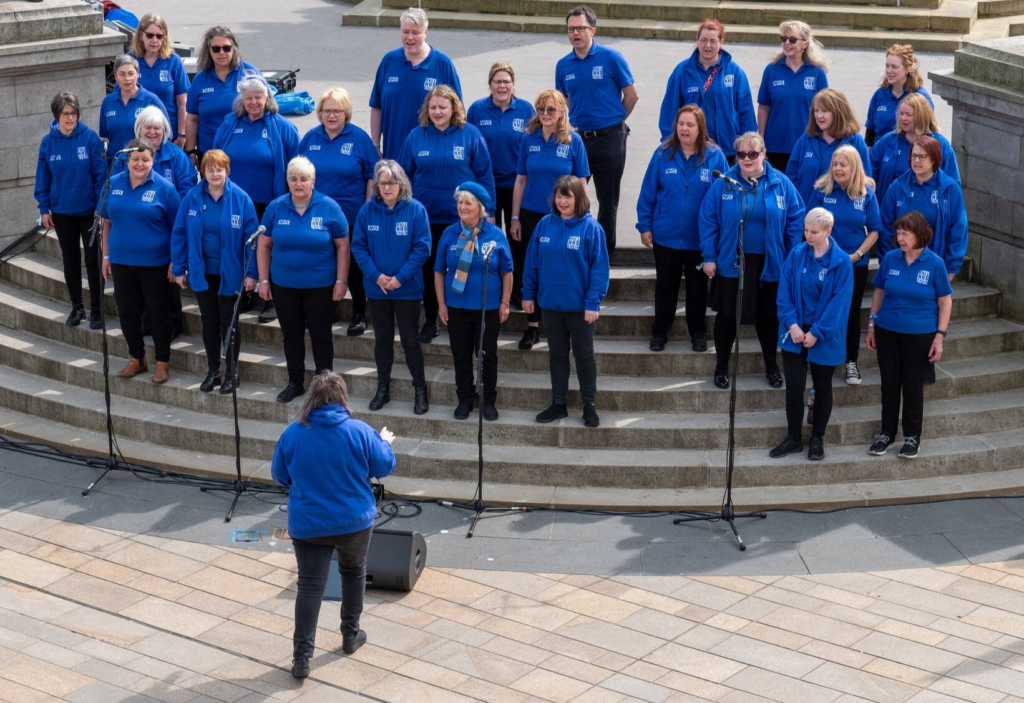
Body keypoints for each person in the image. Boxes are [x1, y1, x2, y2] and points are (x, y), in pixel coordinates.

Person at [271, 372, 396, 680]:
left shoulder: (293, 433)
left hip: (308, 525)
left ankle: (301, 657)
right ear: (342, 399)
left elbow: (280, 475)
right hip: (354, 522)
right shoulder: (360, 431)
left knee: (310, 586)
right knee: (353, 571)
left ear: (310, 399)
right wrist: (384, 442)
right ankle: (350, 636)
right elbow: (384, 467)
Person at [699, 131, 804, 389]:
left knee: (769, 318)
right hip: (732, 262)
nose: (747, 159)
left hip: (771, 264)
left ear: (764, 154)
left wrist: (791, 256)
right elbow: (707, 220)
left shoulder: (781, 183)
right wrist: (709, 257)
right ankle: (721, 367)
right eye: (741, 154)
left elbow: (796, 219)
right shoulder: (723, 182)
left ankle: (771, 367)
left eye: (753, 154)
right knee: (727, 317)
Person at [398, 84, 495, 344]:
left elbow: (485, 175)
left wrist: (491, 212)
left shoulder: (470, 135)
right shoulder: (416, 136)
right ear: (426, 110)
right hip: (426, 220)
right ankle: (431, 319)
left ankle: (462, 317)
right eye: (433, 107)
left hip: (462, 219)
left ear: (454, 108)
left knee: (465, 268)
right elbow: (404, 176)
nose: (437, 112)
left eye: (443, 107)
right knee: (433, 269)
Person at [253, 157, 349, 404]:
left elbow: (342, 246)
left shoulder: (329, 207)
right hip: (284, 286)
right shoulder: (275, 207)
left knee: (321, 336)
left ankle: (324, 388)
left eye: (304, 179)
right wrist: (263, 281)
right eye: (293, 179)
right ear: (287, 180)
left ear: (313, 182)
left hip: (321, 286)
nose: (298, 184)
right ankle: (295, 382)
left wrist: (341, 281)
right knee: (291, 336)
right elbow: (263, 245)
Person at [637, 105, 728, 352]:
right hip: (666, 238)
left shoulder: (716, 156)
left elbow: (725, 198)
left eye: (690, 125)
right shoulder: (663, 153)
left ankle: (697, 331)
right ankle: (659, 331)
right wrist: (644, 225)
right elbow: (648, 192)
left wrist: (720, 234)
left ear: (700, 129)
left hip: (700, 240)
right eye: (681, 124)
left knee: (698, 289)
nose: (684, 129)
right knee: (665, 286)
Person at [522, 175, 609, 428]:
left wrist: (593, 302)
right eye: (558, 196)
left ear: (578, 198)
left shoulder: (592, 229)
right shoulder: (544, 225)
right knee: (557, 355)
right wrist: (528, 294)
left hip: (580, 309)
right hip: (550, 305)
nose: (561, 201)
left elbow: (600, 270)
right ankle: (558, 403)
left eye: (567, 196)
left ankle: (588, 404)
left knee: (584, 356)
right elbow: (531, 263)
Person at [170, 149, 259, 394]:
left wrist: (252, 273)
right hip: (202, 273)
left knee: (229, 324)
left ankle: (232, 373)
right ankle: (213, 371)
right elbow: (179, 234)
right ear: (203, 171)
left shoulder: (241, 199)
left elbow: (253, 240)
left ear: (227, 171)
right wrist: (179, 268)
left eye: (219, 169)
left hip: (230, 274)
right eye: (210, 169)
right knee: (209, 323)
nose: (215, 173)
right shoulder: (191, 198)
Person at [214, 75, 300, 324]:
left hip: (269, 200)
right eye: (248, 98)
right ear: (242, 99)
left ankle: (271, 300)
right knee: (240, 246)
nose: (253, 102)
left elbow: (296, 163)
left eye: (258, 97)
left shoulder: (282, 126)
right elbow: (216, 158)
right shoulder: (230, 123)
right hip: (235, 201)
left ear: (267, 98)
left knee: (267, 249)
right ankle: (246, 294)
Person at [866, 211, 952, 459]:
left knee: (912, 386)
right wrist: (872, 325)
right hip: (888, 331)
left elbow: (945, 303)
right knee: (889, 384)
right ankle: (886, 435)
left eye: (906, 233)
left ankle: (912, 437)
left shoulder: (935, 263)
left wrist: (939, 336)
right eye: (899, 233)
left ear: (920, 235)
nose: (900, 238)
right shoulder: (891, 259)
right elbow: (879, 294)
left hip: (920, 334)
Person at [771, 208, 853, 461]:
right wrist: (793, 325)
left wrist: (816, 332)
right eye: (805, 230)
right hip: (794, 332)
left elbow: (839, 304)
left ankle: (817, 438)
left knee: (822, 387)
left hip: (823, 335)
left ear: (828, 232)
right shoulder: (796, 255)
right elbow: (783, 294)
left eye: (814, 232)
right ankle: (794, 438)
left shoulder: (842, 262)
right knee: (794, 388)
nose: (807, 235)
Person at [556, 4, 639, 253]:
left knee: (607, 201)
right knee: (571, 195)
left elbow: (632, 95)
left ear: (593, 29)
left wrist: (615, 121)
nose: (575, 34)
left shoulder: (611, 58)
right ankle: (575, 248)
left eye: (580, 28)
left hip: (610, 139)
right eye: (571, 29)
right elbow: (564, 101)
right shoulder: (563, 65)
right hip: (578, 140)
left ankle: (604, 254)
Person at [351, 161, 432, 415]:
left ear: (401, 184)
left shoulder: (416, 210)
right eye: (382, 183)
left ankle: (420, 389)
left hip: (406, 289)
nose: (387, 188)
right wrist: (376, 276)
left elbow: (423, 248)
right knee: (382, 340)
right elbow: (359, 247)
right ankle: (382, 389)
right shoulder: (366, 212)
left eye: (391, 183)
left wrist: (400, 277)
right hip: (378, 290)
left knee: (410, 340)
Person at [510, 89, 589, 350]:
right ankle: (532, 326)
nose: (545, 114)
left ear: (561, 113)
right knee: (530, 268)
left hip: (564, 216)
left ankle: (562, 325)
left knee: (560, 266)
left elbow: (581, 181)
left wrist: (584, 215)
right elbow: (520, 180)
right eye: (541, 109)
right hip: (532, 215)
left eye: (551, 109)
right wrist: (515, 217)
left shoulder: (573, 141)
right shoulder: (527, 140)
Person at [99, 140, 181, 384]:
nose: (140, 164)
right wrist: (105, 255)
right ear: (127, 160)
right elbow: (106, 222)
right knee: (127, 312)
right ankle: (137, 358)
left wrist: (175, 261)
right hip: (122, 262)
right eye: (135, 159)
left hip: (156, 264)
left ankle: (162, 363)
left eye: (145, 159)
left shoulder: (165, 189)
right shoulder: (112, 185)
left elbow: (178, 229)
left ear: (152, 160)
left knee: (157, 314)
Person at [298, 87, 377, 337]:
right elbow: (298, 175)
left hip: (352, 216)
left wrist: (366, 210)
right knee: (324, 265)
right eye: (327, 111)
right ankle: (326, 312)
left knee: (353, 268)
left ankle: (358, 314)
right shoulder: (310, 138)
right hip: (317, 218)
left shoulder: (359, 138)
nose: (331, 116)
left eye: (337, 111)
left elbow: (372, 176)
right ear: (320, 113)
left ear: (346, 114)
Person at [435, 183, 513, 421]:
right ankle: (465, 400)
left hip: (487, 309)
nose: (462, 206)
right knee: (461, 355)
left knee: (487, 355)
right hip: (457, 308)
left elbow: (507, 271)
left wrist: (505, 303)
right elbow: (439, 271)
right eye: (460, 202)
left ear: (480, 207)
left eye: (468, 202)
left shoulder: (496, 234)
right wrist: (441, 304)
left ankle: (488, 400)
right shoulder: (449, 234)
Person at [808, 145, 882, 386]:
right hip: (823, 262)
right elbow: (809, 225)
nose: (838, 169)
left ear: (854, 167)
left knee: (849, 312)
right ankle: (817, 359)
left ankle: (851, 362)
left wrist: (858, 254)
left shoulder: (866, 193)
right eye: (835, 164)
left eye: (843, 165)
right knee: (821, 309)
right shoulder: (821, 189)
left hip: (853, 264)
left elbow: (875, 231)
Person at [35, 92, 105, 329]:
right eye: (66, 113)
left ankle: (97, 309)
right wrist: (44, 208)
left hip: (89, 213)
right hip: (62, 213)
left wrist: (100, 210)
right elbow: (42, 179)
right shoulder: (48, 142)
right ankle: (78, 307)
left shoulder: (90, 138)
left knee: (93, 261)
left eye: (74, 113)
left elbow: (100, 178)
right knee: (70, 261)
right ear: (57, 115)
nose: (70, 118)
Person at [657, 20, 756, 163]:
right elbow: (669, 111)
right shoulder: (682, 71)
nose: (707, 46)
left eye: (712, 41)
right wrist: (671, 144)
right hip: (692, 149)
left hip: (728, 149)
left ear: (721, 42)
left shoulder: (735, 72)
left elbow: (746, 113)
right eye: (703, 40)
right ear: (697, 40)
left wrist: (746, 149)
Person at [370, 8, 462, 160]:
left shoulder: (442, 63)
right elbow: (376, 106)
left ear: (425, 32)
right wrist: (375, 145)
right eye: (405, 32)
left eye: (415, 32)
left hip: (430, 156)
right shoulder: (389, 61)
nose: (410, 37)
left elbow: (458, 112)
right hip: (393, 152)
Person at [878, 135, 968, 281]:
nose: (916, 161)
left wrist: (951, 267)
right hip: (900, 264)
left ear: (934, 159)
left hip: (935, 266)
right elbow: (885, 226)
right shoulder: (897, 186)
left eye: (922, 156)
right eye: (914, 156)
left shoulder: (950, 189)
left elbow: (959, 228)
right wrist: (887, 261)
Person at [467, 63, 536, 240]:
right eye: (497, 81)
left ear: (513, 84)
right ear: (489, 84)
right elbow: (468, 144)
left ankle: (514, 269)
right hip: (486, 185)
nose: (502, 86)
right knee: (488, 237)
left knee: (516, 237)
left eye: (506, 81)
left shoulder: (526, 109)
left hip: (517, 185)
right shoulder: (477, 109)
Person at [756, 20, 829, 173]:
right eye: (784, 38)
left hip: (808, 143)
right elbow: (763, 107)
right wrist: (761, 139)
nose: (787, 43)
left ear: (805, 44)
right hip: (776, 145)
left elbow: (826, 110)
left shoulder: (817, 72)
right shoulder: (772, 70)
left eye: (792, 39)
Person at [785, 88, 871, 206]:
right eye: (816, 111)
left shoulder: (855, 141)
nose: (819, 116)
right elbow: (790, 179)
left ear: (838, 112)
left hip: (841, 216)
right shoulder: (806, 139)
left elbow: (865, 180)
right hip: (807, 215)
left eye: (825, 111)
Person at [184, 26, 259, 159]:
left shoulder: (249, 72)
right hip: (209, 154)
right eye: (216, 49)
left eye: (226, 48)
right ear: (209, 51)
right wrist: (191, 151)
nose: (222, 52)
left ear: (234, 48)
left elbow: (264, 107)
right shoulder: (199, 80)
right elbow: (192, 119)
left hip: (244, 151)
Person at [870, 93, 959, 202]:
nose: (903, 118)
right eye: (901, 114)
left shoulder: (940, 145)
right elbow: (869, 175)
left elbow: (953, 186)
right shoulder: (886, 142)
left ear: (921, 116)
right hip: (891, 208)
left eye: (908, 114)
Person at [128, 14, 189, 147]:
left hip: (167, 133)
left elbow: (182, 102)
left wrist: (181, 134)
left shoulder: (174, 61)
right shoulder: (130, 60)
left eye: (159, 36)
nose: (155, 40)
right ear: (140, 35)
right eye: (150, 35)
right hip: (138, 133)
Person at [114, 106, 197, 198]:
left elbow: (187, 192)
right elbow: (113, 187)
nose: (152, 132)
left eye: (157, 128)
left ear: (164, 130)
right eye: (148, 127)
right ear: (139, 129)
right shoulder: (125, 154)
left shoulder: (178, 156)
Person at [865, 44, 933, 146]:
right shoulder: (879, 95)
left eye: (894, 67)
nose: (888, 71)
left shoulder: (920, 98)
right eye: (887, 66)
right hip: (880, 153)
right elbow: (870, 130)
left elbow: (927, 132)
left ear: (907, 69)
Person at [99, 54, 170, 153]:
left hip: (142, 163)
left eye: (131, 73)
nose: (127, 78)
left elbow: (167, 135)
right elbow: (105, 137)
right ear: (115, 76)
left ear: (138, 74)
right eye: (122, 74)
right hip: (115, 163)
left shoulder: (152, 100)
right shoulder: (107, 101)